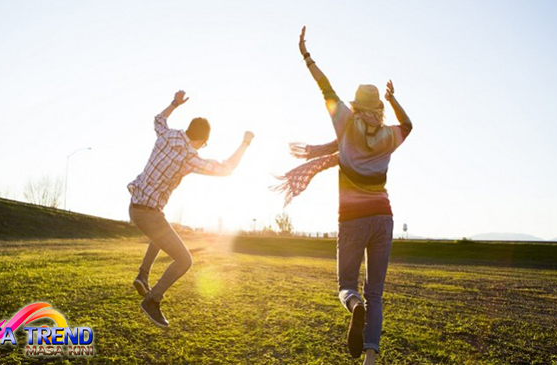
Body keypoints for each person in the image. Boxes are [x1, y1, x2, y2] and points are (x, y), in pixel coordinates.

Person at [273, 27, 412, 364]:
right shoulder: (390, 135)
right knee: (377, 293)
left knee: (346, 285)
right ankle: (370, 360)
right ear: (378, 107)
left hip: (351, 220)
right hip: (383, 217)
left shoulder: (345, 123)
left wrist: (306, 56)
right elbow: (408, 126)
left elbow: (325, 86)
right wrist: (393, 100)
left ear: (355, 105)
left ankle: (354, 306)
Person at [127, 90, 254, 328]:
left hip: (136, 206)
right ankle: (152, 300)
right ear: (202, 141)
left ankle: (143, 274)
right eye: (204, 144)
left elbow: (158, 119)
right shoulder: (189, 156)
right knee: (184, 260)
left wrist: (174, 104)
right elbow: (225, 169)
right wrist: (245, 143)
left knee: (163, 232)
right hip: (147, 213)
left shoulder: (168, 135)